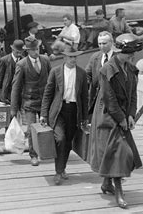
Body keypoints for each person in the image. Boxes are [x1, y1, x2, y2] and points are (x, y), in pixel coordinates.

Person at [88, 33, 143, 209]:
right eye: (129, 53)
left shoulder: (131, 69)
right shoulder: (107, 70)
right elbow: (109, 99)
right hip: (107, 116)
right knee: (120, 153)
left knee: (112, 153)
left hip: (122, 115)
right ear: (120, 52)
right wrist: (121, 119)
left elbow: (133, 95)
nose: (132, 56)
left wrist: (130, 115)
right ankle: (119, 192)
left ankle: (106, 183)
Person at [40, 48, 88, 185]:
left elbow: (85, 97)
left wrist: (85, 118)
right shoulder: (55, 72)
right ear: (65, 57)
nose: (73, 59)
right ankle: (58, 171)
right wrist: (44, 114)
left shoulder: (82, 73)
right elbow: (47, 94)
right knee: (60, 138)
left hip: (74, 111)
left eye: (75, 57)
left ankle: (62, 168)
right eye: (70, 57)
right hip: (58, 111)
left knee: (68, 142)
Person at [10, 36, 51, 166]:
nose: (36, 52)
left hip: (44, 101)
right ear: (27, 51)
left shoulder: (45, 60)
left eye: (37, 49)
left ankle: (46, 151)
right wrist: (13, 108)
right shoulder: (21, 65)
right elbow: (16, 87)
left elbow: (51, 81)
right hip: (29, 102)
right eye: (33, 50)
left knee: (47, 127)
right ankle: (33, 155)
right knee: (31, 128)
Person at [85, 31, 115, 116]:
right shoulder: (95, 57)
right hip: (96, 97)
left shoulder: (117, 58)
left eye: (104, 43)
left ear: (111, 43)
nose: (101, 46)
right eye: (99, 44)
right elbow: (87, 74)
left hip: (113, 98)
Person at [0, 39, 24, 104]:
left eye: (21, 52)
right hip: (7, 91)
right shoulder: (4, 60)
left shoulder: (24, 60)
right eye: (17, 52)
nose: (19, 54)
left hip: (20, 91)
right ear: (13, 50)